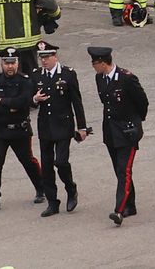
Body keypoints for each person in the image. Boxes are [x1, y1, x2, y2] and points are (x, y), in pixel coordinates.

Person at [89, 46, 148, 226]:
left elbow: (142, 102)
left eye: (94, 63)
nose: (93, 67)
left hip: (127, 133)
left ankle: (119, 210)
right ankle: (130, 204)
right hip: (111, 132)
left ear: (103, 63)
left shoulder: (127, 79)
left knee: (124, 171)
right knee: (120, 170)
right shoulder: (100, 78)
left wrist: (136, 123)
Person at [0, 47, 44, 213]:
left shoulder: (25, 81)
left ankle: (41, 188)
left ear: (17, 63)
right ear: (1, 63)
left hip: (19, 131)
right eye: (6, 63)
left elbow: (23, 102)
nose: (9, 66)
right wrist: (10, 105)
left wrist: (1, 102)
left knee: (28, 161)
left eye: (13, 63)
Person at [31, 41, 88, 216]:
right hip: (45, 126)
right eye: (41, 58)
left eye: (47, 57)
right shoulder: (36, 75)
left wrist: (82, 127)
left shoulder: (68, 74)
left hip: (63, 125)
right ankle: (52, 202)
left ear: (55, 56)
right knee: (47, 166)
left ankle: (71, 190)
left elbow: (77, 102)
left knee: (61, 162)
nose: (44, 61)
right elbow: (28, 99)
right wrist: (34, 99)